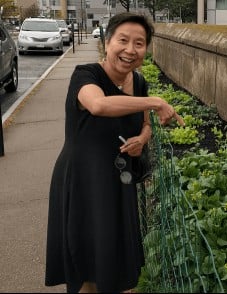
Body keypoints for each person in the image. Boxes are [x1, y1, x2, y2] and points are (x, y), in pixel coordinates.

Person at [45, 12, 184, 293]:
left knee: (117, 259)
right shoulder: (85, 75)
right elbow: (98, 105)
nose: (130, 50)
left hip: (120, 182)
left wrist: (142, 140)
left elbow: (145, 125)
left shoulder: (139, 82)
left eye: (139, 43)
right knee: (86, 260)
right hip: (84, 180)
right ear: (107, 42)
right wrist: (156, 101)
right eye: (123, 40)